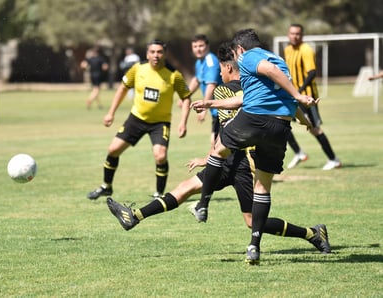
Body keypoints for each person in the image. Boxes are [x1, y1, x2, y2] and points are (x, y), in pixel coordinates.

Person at [106, 42, 331, 256]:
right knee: (185, 188)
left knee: (253, 221)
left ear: (227, 66)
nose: (219, 76)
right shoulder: (255, 85)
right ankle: (134, 216)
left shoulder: (227, 92)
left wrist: (210, 154)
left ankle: (311, 233)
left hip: (243, 163)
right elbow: (276, 106)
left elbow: (231, 128)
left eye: (221, 70)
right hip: (228, 160)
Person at [190, 29, 318, 265]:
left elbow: (273, 79)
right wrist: (306, 120)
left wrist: (298, 95)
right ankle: (254, 246)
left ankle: (204, 203)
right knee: (262, 186)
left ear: (239, 49)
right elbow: (265, 96)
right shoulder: (278, 60)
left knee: (218, 149)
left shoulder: (248, 56)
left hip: (255, 119)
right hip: (280, 127)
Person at [87, 39, 192, 201]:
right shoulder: (137, 69)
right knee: (113, 150)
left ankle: (159, 194)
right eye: (152, 52)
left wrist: (183, 122)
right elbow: (123, 88)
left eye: (159, 52)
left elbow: (186, 97)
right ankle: (106, 187)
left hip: (160, 123)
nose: (156, 55)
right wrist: (110, 113)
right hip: (136, 119)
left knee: (160, 156)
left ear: (164, 54)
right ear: (147, 53)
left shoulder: (174, 75)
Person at [284, 24, 342, 170]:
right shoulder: (287, 50)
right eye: (292, 33)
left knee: (314, 129)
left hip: (307, 97)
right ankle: (299, 153)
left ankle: (333, 159)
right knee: (281, 122)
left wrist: (299, 92)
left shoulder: (306, 50)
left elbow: (312, 73)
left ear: (302, 35)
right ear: (288, 34)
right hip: (293, 96)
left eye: (297, 34)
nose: (294, 36)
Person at [189, 34, 223, 143]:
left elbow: (211, 85)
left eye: (201, 46)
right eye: (195, 46)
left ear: (207, 46)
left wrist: (204, 107)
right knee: (216, 142)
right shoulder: (200, 62)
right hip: (215, 110)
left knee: (217, 143)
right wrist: (185, 95)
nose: (198, 49)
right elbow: (197, 80)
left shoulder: (210, 62)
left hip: (223, 108)